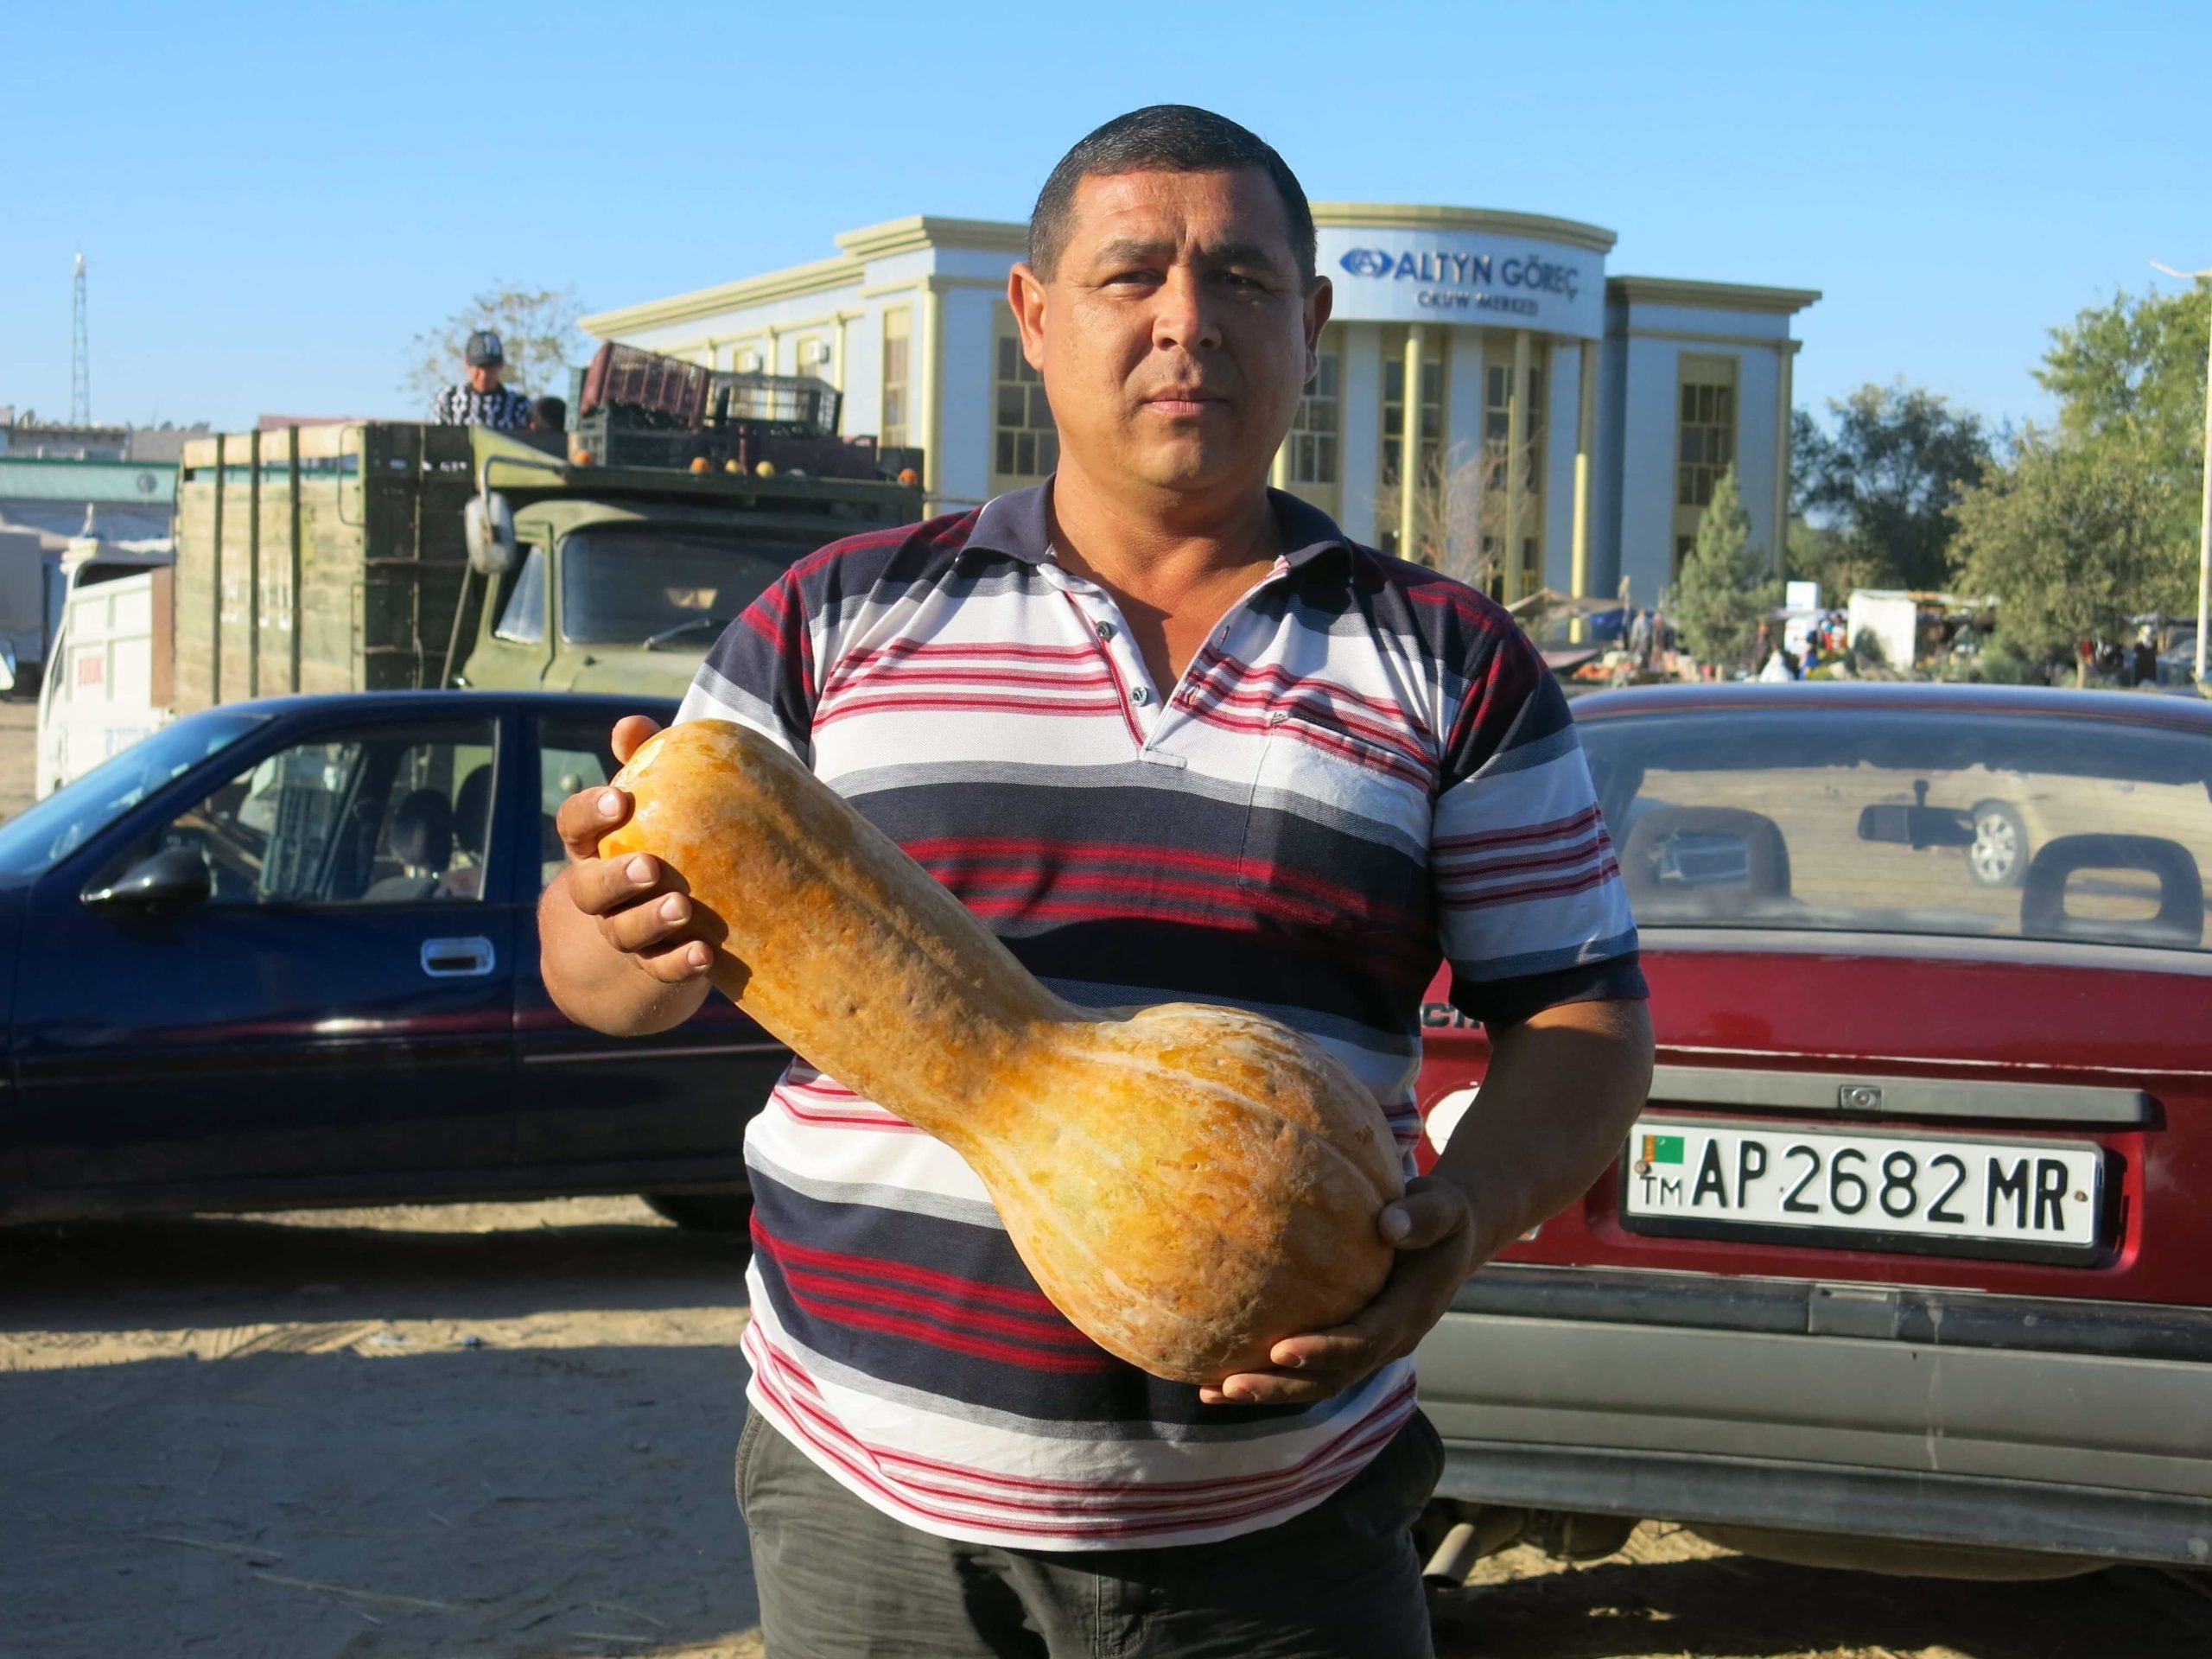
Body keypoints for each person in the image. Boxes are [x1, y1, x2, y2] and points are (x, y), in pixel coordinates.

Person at [539, 105, 1652, 1658]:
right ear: (1035, 318)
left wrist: (1464, 1217)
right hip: (871, 1516)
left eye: (1243, 280)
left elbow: (1589, 1019)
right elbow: (594, 973)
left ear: (1312, 325)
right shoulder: (834, 620)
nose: (1186, 320)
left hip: (1284, 1545)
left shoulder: (1451, 660)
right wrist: (611, 931)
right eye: (1133, 273)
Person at [429, 329, 533, 429]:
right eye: (479, 367)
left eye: (490, 367)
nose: (484, 374)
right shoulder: (449, 400)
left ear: (500, 365)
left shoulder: (519, 406)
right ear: (467, 364)